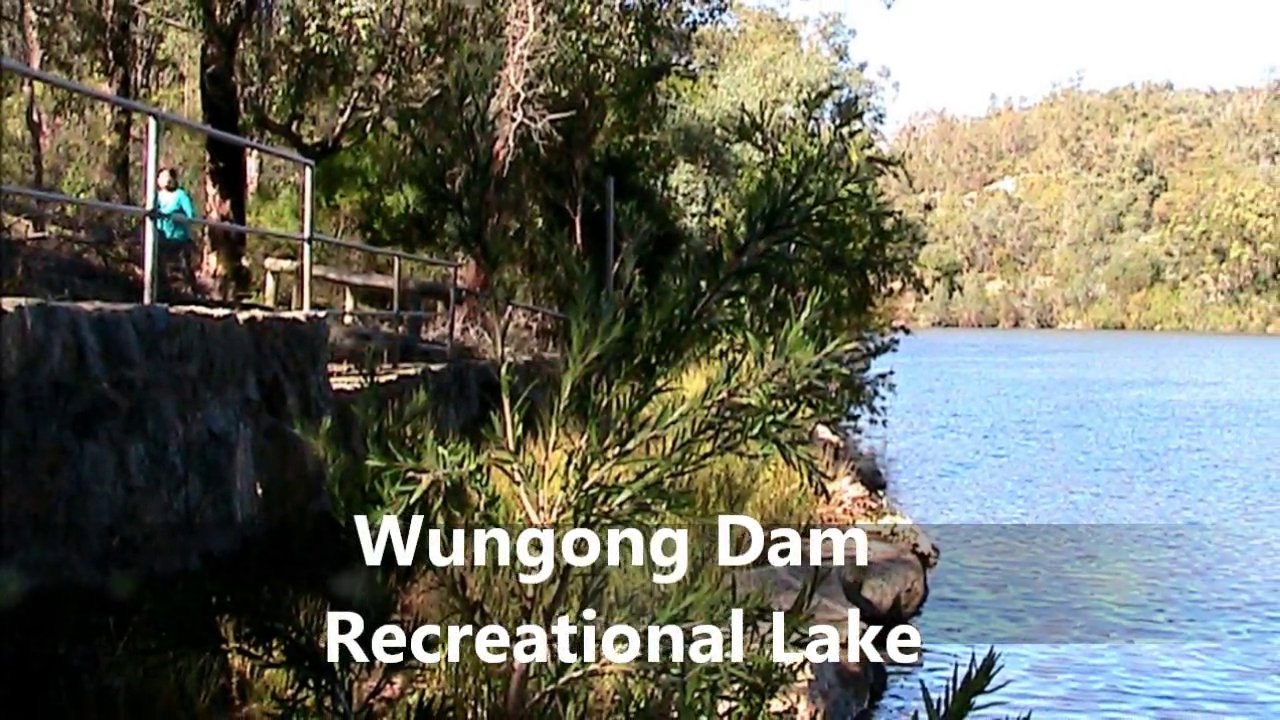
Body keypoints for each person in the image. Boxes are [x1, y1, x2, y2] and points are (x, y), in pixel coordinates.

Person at [153, 167, 199, 299]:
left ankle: (192, 294)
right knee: (161, 267)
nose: (166, 180)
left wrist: (176, 217)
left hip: (179, 239)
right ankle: (163, 293)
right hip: (162, 238)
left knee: (184, 268)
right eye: (162, 177)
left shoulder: (180, 195)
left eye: (168, 177)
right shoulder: (157, 196)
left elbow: (191, 215)